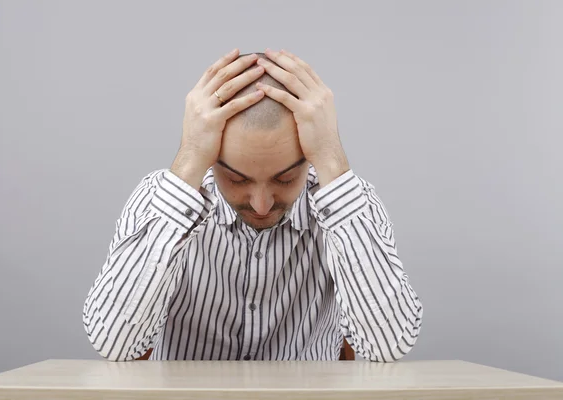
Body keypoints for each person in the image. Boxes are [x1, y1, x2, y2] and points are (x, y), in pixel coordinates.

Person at [83, 48, 423, 362]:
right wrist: (188, 161)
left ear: (309, 159)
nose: (261, 205)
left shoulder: (350, 202)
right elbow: (114, 344)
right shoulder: (159, 201)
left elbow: (387, 347)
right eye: (237, 179)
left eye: (285, 179)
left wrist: (332, 157)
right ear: (212, 158)